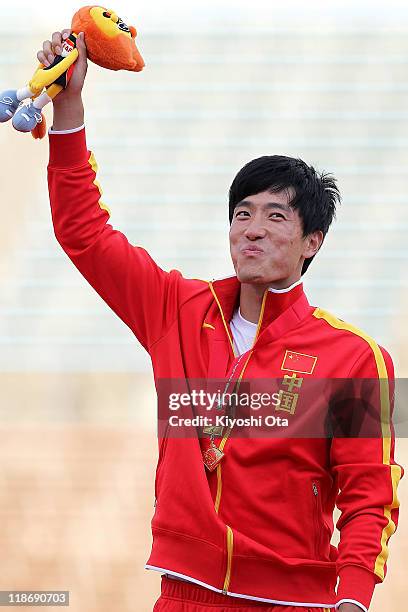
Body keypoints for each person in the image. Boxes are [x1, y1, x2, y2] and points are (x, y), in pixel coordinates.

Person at [40, 29, 403, 612]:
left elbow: (371, 496)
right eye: (242, 213)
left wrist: (354, 598)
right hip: (181, 593)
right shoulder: (177, 308)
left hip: (296, 602)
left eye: (275, 215)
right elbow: (82, 232)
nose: (252, 228)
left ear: (312, 240)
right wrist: (69, 107)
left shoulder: (359, 356)